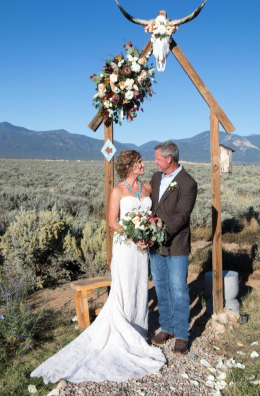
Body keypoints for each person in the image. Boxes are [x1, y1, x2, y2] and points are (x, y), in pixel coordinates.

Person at [31, 150, 165, 384]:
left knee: (139, 286)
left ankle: (137, 331)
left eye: (142, 161)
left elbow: (151, 216)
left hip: (142, 250)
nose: (143, 164)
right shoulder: (118, 191)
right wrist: (134, 235)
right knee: (123, 287)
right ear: (128, 167)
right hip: (126, 247)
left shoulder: (147, 189)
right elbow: (113, 222)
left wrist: (149, 235)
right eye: (139, 162)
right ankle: (122, 333)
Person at [148, 141, 197, 356]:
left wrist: (161, 233)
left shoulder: (188, 183)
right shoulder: (156, 177)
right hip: (154, 245)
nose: (155, 161)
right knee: (160, 285)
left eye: (158, 158)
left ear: (169, 159)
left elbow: (182, 216)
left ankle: (181, 335)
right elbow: (149, 206)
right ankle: (166, 327)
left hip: (176, 244)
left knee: (178, 289)